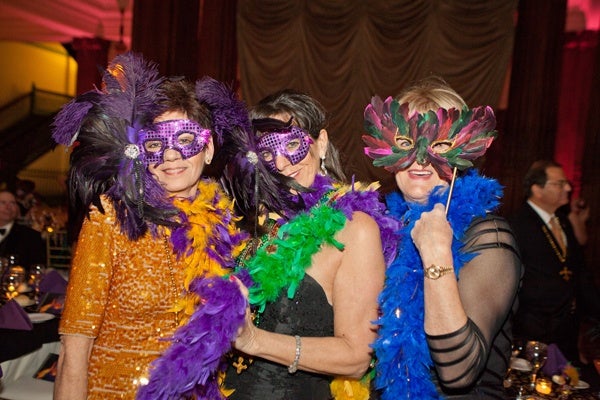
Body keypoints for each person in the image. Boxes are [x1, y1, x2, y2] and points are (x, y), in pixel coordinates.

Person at [52, 53, 247, 400]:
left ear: (208, 147)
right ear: (141, 153)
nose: (171, 156)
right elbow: (73, 352)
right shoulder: (111, 218)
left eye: (184, 140)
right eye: (156, 144)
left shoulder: (226, 225)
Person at [222, 89, 399, 400]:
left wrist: (254, 340)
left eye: (292, 145)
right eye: (266, 153)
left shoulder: (353, 228)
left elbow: (357, 357)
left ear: (322, 143)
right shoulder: (249, 224)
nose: (280, 163)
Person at [362, 78, 522, 399]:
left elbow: (459, 372)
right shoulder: (383, 230)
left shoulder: (488, 237)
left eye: (440, 145)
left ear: (465, 150)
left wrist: (436, 256)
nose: (421, 159)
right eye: (406, 142)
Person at [509, 160, 598, 364]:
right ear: (537, 190)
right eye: (559, 183)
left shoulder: (563, 222)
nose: (567, 188)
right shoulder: (518, 224)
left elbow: (579, 273)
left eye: (566, 183)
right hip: (533, 332)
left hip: (566, 331)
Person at [0, 189, 46, 272]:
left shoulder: (31, 237)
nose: (8, 207)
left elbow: (37, 269)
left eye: (12, 203)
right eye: (3, 203)